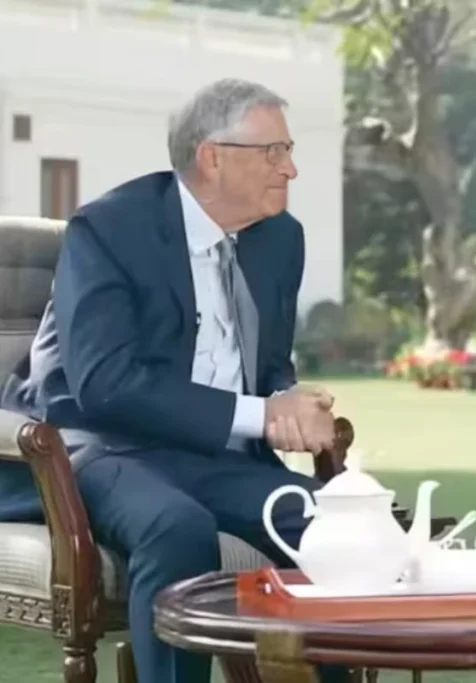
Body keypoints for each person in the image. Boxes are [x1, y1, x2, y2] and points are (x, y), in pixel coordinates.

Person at [0, 79, 349, 683]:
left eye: (289, 150)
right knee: (175, 527)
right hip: (94, 446)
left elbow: (266, 365)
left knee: (340, 525)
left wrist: (287, 401)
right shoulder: (109, 230)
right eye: (273, 152)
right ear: (212, 157)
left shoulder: (279, 238)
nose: (290, 169)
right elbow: (104, 383)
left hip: (213, 458)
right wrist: (259, 414)